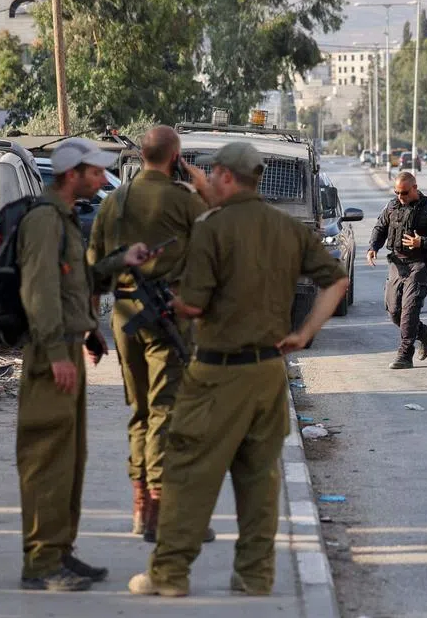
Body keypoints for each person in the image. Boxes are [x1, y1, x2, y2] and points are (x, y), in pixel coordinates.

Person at [128, 141, 349, 598]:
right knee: (259, 479)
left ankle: (169, 574)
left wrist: (170, 299)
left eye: (212, 175)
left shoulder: (212, 229)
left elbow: (192, 303)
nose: (205, 180)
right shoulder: (287, 227)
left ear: (227, 176)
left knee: (189, 473)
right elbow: (337, 281)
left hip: (216, 373)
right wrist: (304, 332)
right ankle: (254, 576)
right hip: (269, 372)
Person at [16, 137, 156, 591]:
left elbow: (76, 283)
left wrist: (120, 262)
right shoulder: (43, 221)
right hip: (48, 356)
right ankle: (41, 561)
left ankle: (60, 551)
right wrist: (59, 353)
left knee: (69, 460)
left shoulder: (64, 219)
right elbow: (38, 294)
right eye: (94, 172)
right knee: (47, 461)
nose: (101, 179)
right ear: (71, 175)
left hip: (67, 347)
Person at [87, 125, 214, 543]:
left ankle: (142, 509)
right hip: (168, 316)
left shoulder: (116, 201)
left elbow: (94, 267)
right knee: (167, 411)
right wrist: (194, 176)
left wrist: (92, 327)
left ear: (141, 155)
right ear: (175, 156)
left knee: (141, 412)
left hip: (124, 315)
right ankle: (163, 512)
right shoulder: (184, 200)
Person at [366, 171, 427, 369]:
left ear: (414, 188)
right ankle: (424, 333)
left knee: (409, 310)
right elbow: (380, 227)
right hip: (397, 263)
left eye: (403, 193)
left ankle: (405, 354)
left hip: (419, 264)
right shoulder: (392, 206)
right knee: (394, 311)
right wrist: (372, 247)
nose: (400, 197)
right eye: (397, 192)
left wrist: (423, 242)